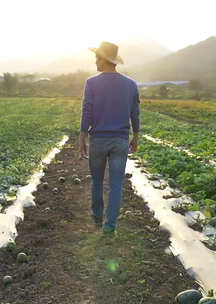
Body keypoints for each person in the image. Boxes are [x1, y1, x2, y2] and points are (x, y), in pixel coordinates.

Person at [78, 41, 141, 236]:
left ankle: (97, 217)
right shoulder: (130, 85)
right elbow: (135, 113)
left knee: (97, 182)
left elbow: (87, 111)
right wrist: (136, 135)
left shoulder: (92, 83)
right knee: (116, 185)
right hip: (120, 141)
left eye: (97, 58)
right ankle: (109, 226)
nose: (95, 62)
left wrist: (82, 136)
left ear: (103, 60)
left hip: (99, 140)